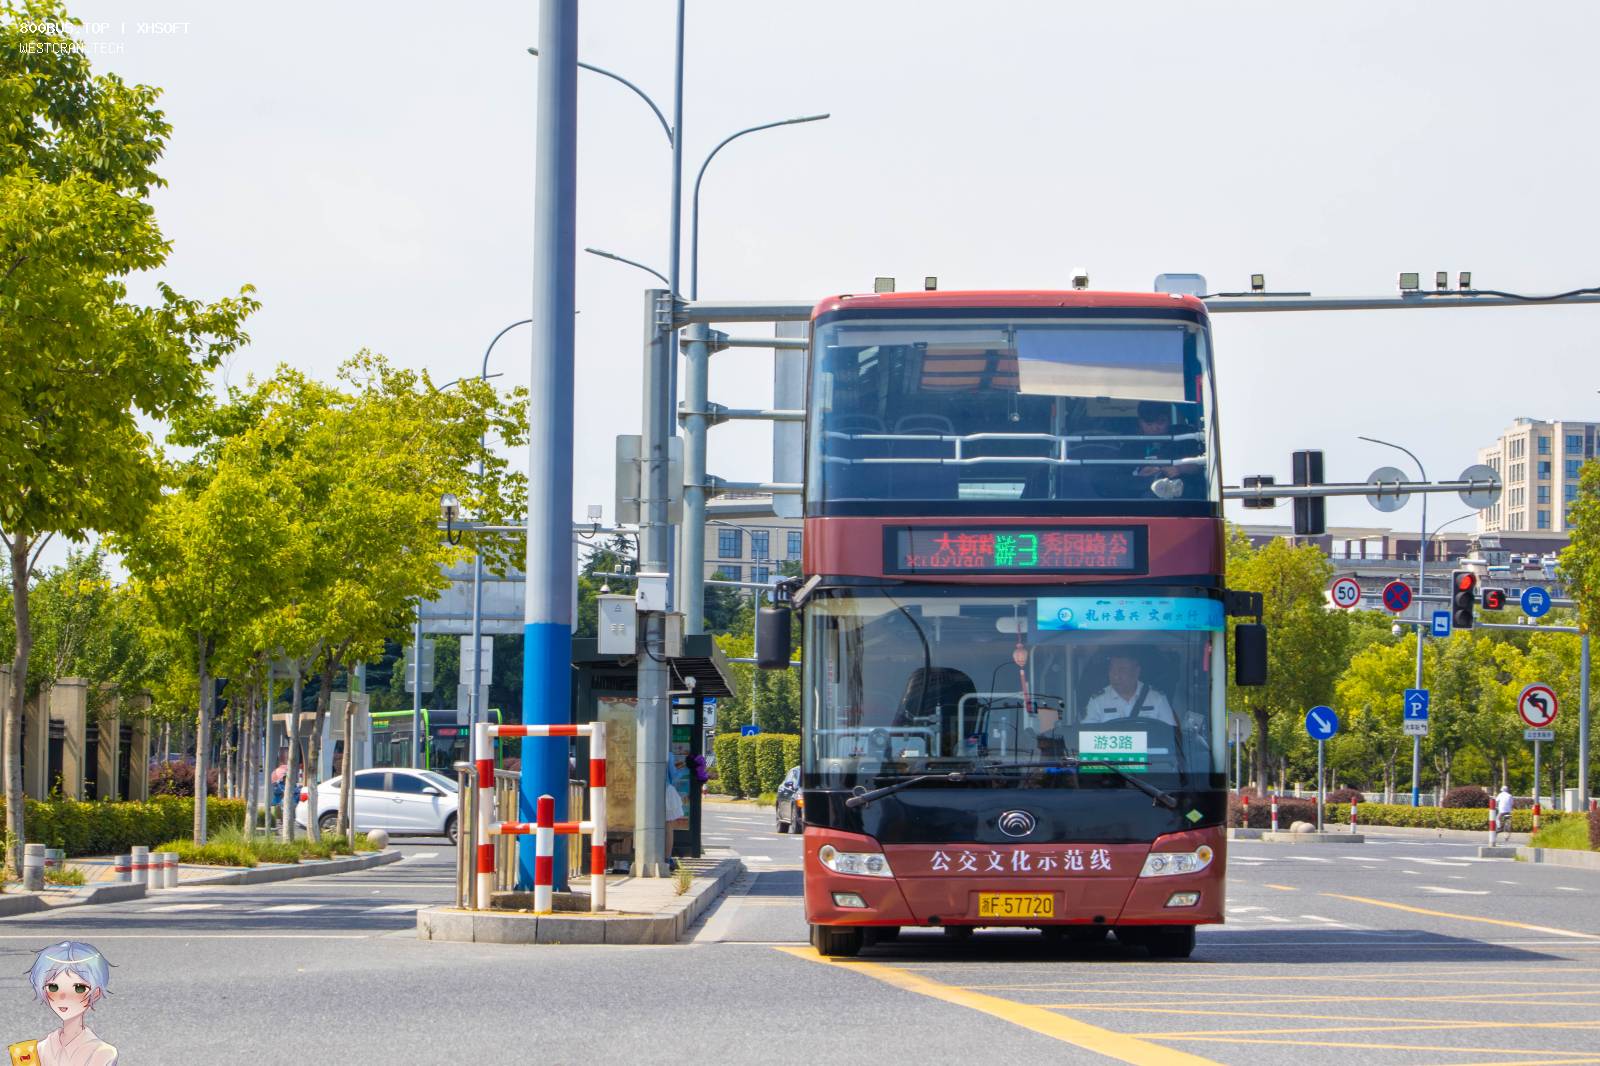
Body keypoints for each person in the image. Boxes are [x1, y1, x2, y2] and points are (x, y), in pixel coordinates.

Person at [12, 940, 117, 1065]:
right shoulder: (36, 1051)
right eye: (53, 987)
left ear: (96, 993)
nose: (63, 996)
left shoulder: (103, 1053)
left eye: (79, 988)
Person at [1081, 652, 1177, 727]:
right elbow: (1087, 734)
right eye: (1112, 670)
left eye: (1122, 670)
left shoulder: (1157, 698)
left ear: (1136, 672)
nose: (1116, 675)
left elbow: (1168, 733)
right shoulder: (1098, 701)